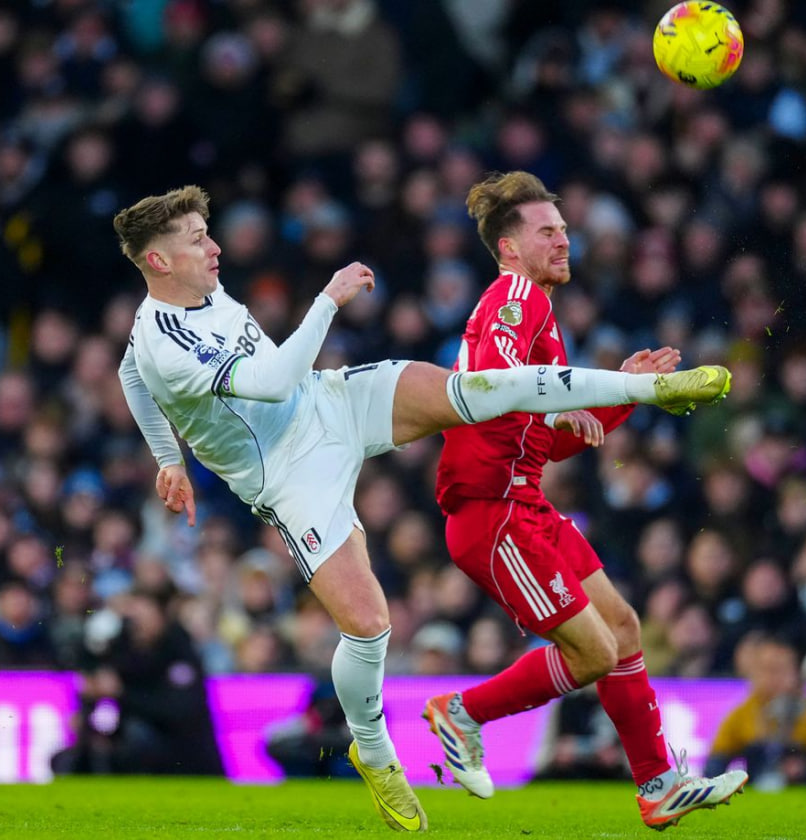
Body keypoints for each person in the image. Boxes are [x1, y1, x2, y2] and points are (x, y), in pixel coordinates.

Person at [112, 185, 732, 831]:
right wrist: (328, 300)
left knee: (472, 393)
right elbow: (263, 381)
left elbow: (129, 372)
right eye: (195, 240)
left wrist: (168, 458)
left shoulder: (193, 293)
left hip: (332, 401)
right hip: (290, 475)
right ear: (159, 262)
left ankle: (646, 386)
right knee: (370, 625)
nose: (213, 247)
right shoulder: (165, 341)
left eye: (207, 234)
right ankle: (376, 756)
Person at [421, 171, 747, 831]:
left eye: (565, 230)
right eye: (548, 231)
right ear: (510, 248)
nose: (564, 241)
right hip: (494, 513)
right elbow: (497, 382)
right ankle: (461, 712)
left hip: (525, 503)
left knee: (622, 627)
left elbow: (538, 433)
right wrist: (595, 395)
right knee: (595, 652)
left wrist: (616, 394)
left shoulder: (538, 309)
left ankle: (657, 785)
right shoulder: (516, 295)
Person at [51, 586, 224, 776]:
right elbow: (94, 672)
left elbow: (179, 711)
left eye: (144, 617)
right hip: (127, 739)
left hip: (182, 752)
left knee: (136, 735)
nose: (137, 626)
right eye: (134, 619)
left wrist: (122, 693)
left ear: (161, 617)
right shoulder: (124, 649)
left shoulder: (179, 651)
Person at [703, 636, 806, 788]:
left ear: (795, 674)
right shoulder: (742, 715)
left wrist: (804, 772)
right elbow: (714, 765)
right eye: (767, 670)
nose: (773, 679)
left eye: (780, 671)